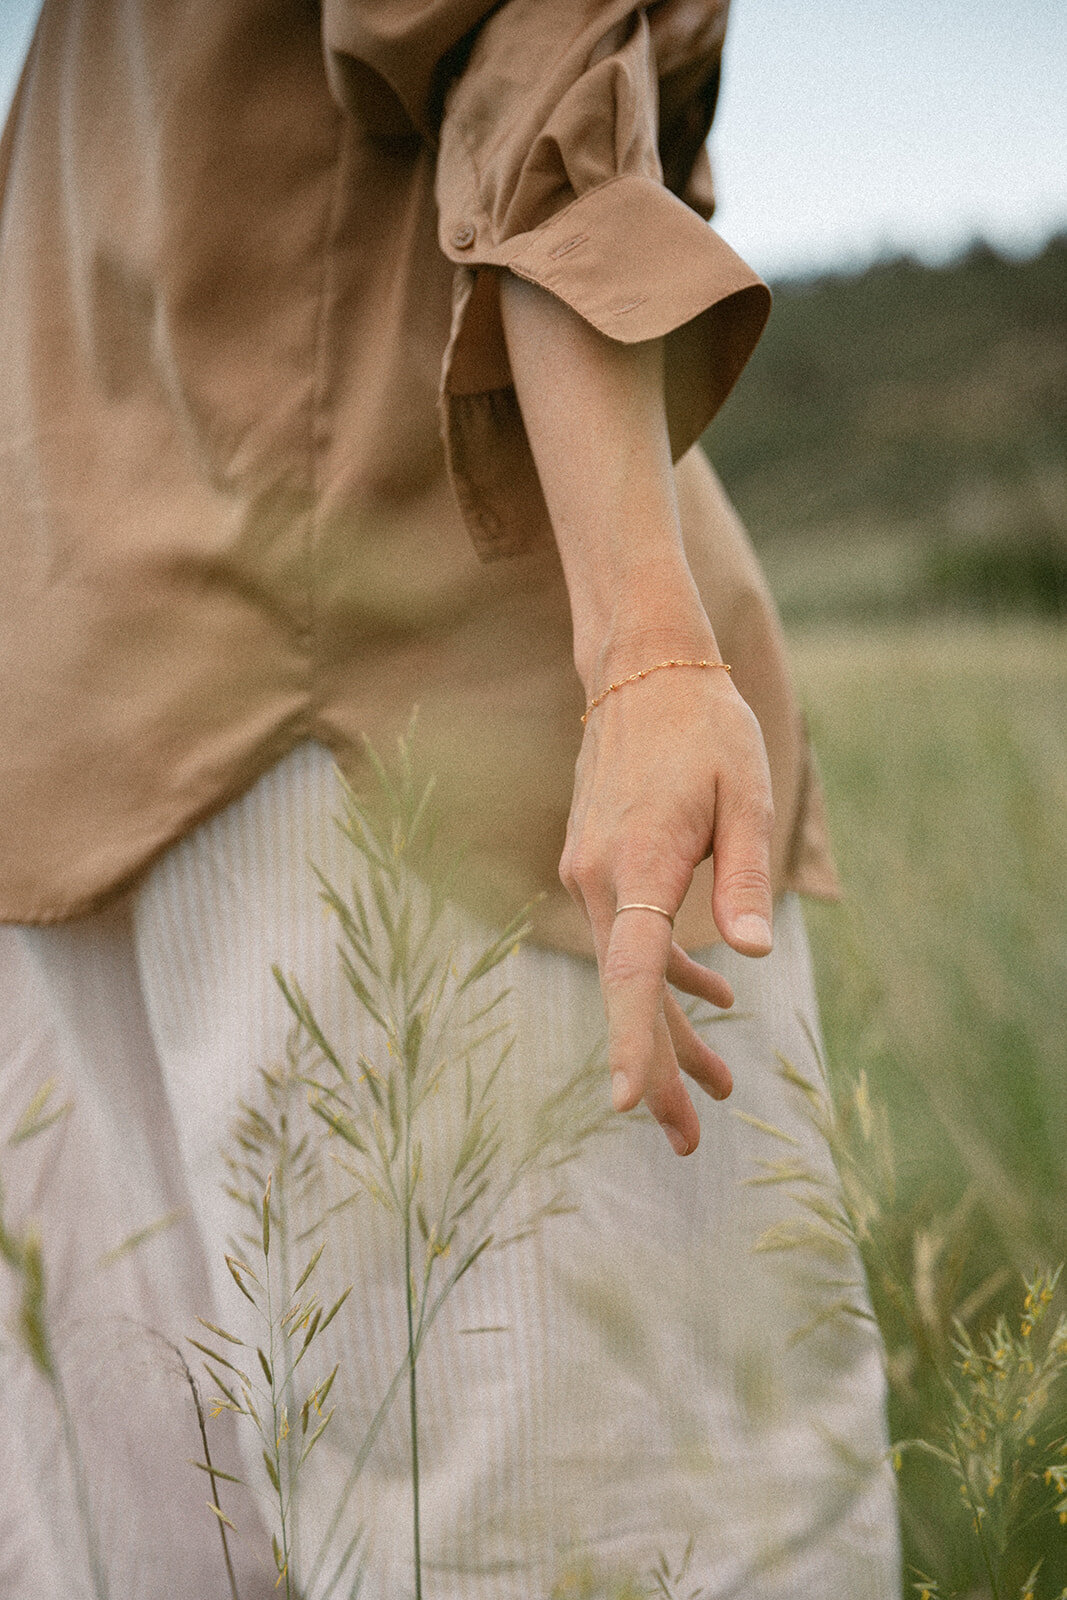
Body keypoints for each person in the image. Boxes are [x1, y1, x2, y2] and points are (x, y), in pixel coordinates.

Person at [0, 2, 900, 1596]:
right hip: (407, 708)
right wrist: (641, 648)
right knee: (631, 1542)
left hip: (73, 704)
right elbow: (522, 38)